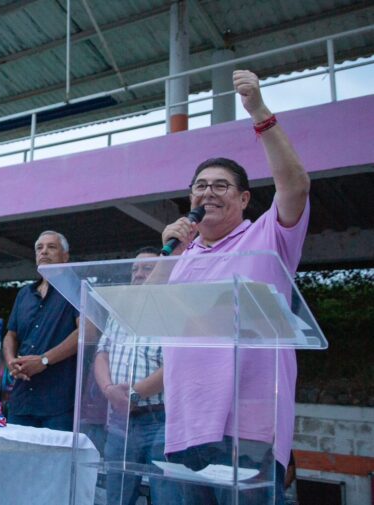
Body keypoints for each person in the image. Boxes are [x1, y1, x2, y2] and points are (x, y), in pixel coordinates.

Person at [160, 70, 311, 504]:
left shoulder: (268, 237)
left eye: (221, 186)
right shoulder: (181, 254)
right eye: (200, 186)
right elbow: (142, 309)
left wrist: (259, 113)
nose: (208, 193)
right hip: (186, 427)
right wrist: (168, 252)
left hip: (250, 429)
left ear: (244, 199)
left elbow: (296, 185)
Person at [94, 246, 175, 505]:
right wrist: (108, 389)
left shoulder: (174, 312)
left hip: (160, 419)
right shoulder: (120, 312)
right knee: (118, 496)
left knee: (166, 496)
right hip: (120, 419)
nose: (138, 274)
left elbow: (175, 365)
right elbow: (101, 354)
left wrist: (132, 393)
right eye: (135, 269)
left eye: (147, 269)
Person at [3, 230, 79, 431]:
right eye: (39, 248)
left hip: (58, 402)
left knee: (54, 461)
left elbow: (86, 333)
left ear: (65, 256)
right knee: (17, 460)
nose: (44, 252)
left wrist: (44, 360)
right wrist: (11, 361)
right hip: (22, 398)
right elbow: (11, 335)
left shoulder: (77, 288)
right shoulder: (24, 294)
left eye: (51, 247)